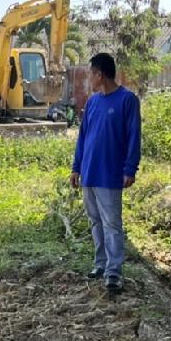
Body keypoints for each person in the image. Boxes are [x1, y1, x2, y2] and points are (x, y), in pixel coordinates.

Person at [70, 52, 141, 295]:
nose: (88, 78)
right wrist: (76, 167)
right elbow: (83, 137)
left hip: (110, 173)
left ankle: (114, 272)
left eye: (90, 74)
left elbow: (134, 136)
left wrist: (130, 168)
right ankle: (100, 264)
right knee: (95, 221)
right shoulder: (92, 102)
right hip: (89, 172)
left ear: (100, 75)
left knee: (112, 223)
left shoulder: (127, 100)